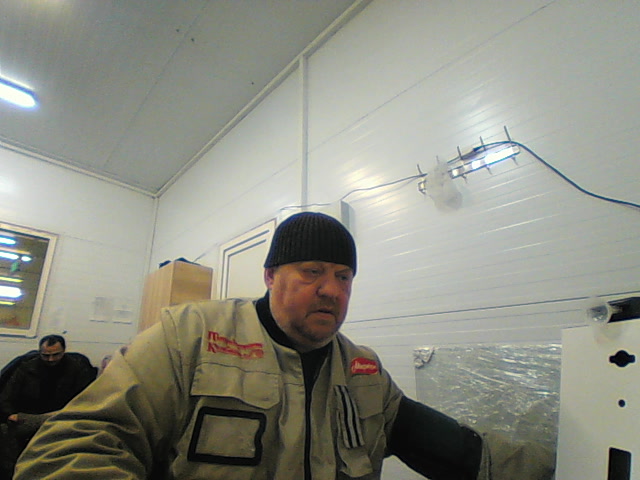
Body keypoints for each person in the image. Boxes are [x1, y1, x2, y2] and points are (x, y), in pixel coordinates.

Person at [13, 212, 554, 479]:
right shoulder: (190, 335)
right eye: (312, 271)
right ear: (271, 275)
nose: (332, 289)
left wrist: (572, 463)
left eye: (344, 276)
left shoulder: (364, 371)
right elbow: (72, 443)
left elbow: (462, 452)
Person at [0, 335, 97, 479]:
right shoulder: (26, 368)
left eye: (56, 355)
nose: (51, 359)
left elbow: (84, 400)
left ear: (64, 351)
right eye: (45, 355)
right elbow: (6, 396)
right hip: (27, 417)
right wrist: (9, 414)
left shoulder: (78, 369)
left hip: (61, 418)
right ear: (40, 352)